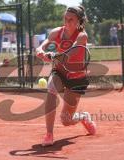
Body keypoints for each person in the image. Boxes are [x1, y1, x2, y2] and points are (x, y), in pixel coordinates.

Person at [36, 6, 96, 147]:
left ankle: (83, 117)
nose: (67, 22)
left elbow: (70, 53)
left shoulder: (82, 36)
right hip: (59, 72)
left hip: (76, 78)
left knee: (66, 120)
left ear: (79, 22)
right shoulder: (56, 32)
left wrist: (53, 56)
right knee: (51, 89)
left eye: (71, 19)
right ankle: (49, 134)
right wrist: (40, 51)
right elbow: (43, 45)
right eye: (66, 19)